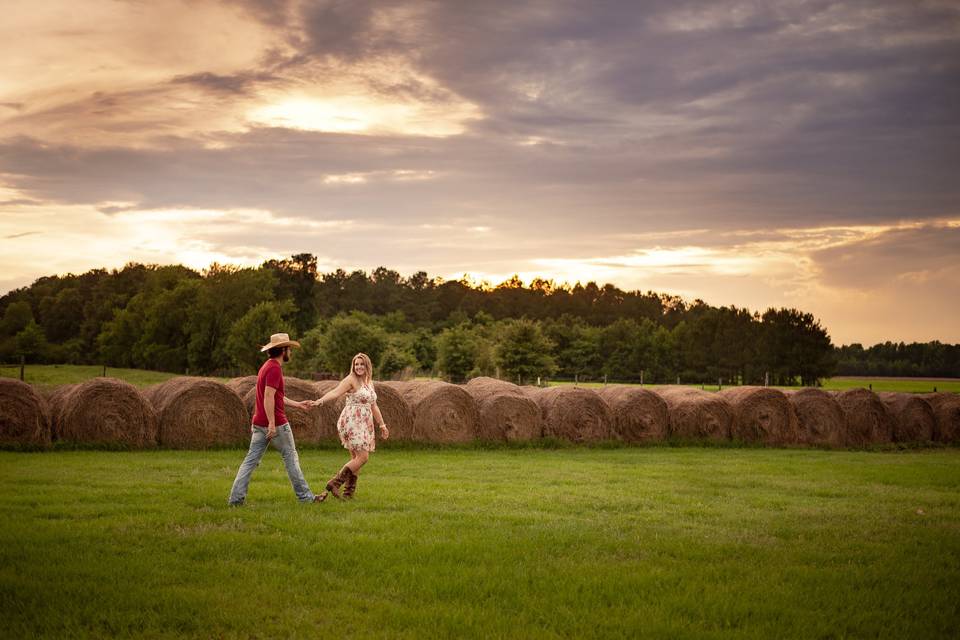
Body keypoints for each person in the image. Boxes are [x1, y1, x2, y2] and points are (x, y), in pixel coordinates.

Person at [228, 333, 322, 506]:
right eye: (289, 350)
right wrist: (272, 423)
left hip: (258, 423)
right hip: (276, 424)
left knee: (250, 461)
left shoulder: (267, 366)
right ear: (283, 350)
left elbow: (277, 396)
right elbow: (268, 397)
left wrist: (298, 405)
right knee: (291, 459)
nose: (291, 353)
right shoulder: (274, 369)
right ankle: (306, 498)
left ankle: (235, 500)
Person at [313, 352, 389, 500]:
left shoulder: (368, 381)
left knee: (356, 458)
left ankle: (348, 494)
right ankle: (335, 482)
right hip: (352, 421)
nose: (359, 367)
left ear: (367, 366)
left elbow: (373, 406)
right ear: (353, 366)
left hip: (365, 422)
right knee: (363, 457)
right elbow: (335, 392)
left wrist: (382, 425)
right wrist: (319, 401)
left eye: (361, 364)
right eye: (356, 364)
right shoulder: (351, 380)